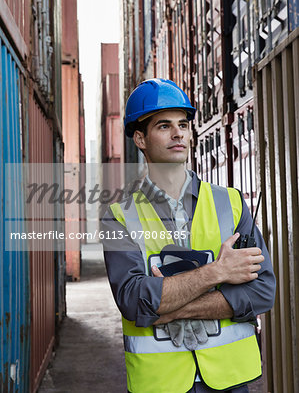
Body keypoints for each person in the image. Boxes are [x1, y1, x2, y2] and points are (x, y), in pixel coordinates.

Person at [102, 79, 276, 393]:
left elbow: (263, 290)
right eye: (164, 126)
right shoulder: (119, 216)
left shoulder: (231, 203)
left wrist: (172, 305)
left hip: (230, 379)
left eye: (183, 124)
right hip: (160, 383)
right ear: (140, 138)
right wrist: (218, 272)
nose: (178, 133)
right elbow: (133, 300)